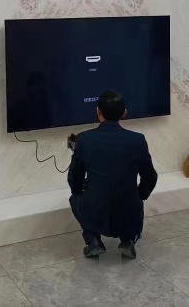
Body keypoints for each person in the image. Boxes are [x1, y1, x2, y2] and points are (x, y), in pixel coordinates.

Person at [68, 90, 158, 259]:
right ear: (124, 113)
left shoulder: (84, 140)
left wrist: (79, 191)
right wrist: (139, 195)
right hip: (128, 208)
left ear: (98, 112)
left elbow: (74, 177)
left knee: (75, 198)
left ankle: (93, 241)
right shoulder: (137, 140)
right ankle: (128, 240)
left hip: (95, 208)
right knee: (134, 200)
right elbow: (150, 177)